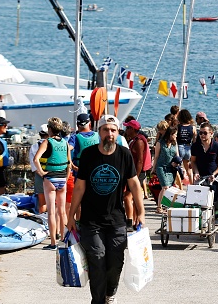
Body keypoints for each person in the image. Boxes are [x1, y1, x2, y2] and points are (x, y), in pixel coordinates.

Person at [67, 115, 145, 304]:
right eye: (105, 129)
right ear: (99, 132)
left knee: (115, 262)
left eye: (113, 130)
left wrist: (140, 212)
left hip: (116, 219)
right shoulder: (88, 154)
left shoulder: (124, 154)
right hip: (90, 220)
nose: (109, 133)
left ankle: (110, 293)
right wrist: (71, 216)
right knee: (97, 258)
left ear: (117, 133)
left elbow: (134, 185)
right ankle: (98, 300)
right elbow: (79, 187)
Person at [34, 117, 72, 249]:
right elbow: (69, 163)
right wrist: (66, 178)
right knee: (62, 211)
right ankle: (64, 239)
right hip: (62, 179)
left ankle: (53, 243)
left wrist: (42, 173)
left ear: (50, 129)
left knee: (51, 212)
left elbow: (36, 159)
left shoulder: (47, 142)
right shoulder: (65, 143)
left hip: (50, 178)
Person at [67, 113, 100, 219]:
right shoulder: (97, 136)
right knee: (95, 197)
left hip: (80, 171)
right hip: (96, 170)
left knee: (79, 198)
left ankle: (79, 222)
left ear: (77, 125)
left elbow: (67, 149)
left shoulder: (75, 137)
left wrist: (71, 164)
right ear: (89, 123)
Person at [190, 122, 218, 214]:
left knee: (215, 199)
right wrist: (196, 172)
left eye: (205, 133)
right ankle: (200, 219)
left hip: (212, 176)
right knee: (198, 200)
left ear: (211, 133)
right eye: (200, 133)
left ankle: (214, 216)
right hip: (200, 176)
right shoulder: (195, 146)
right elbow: (193, 161)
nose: (202, 135)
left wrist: (214, 174)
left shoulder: (217, 147)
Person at [123, 119, 152, 225]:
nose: (126, 130)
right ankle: (134, 220)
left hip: (137, 173)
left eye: (128, 127)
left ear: (133, 129)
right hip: (134, 172)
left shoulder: (139, 141)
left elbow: (140, 160)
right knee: (133, 198)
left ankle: (131, 220)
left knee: (128, 197)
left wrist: (136, 175)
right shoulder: (134, 139)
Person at [152, 126, 179, 214]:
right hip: (161, 167)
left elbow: (177, 156)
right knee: (165, 187)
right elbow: (156, 157)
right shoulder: (160, 143)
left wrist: (176, 163)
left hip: (171, 168)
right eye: (174, 134)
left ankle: (167, 206)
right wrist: (153, 168)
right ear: (170, 134)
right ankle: (159, 207)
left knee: (169, 188)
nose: (176, 136)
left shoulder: (175, 144)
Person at [29, 124, 49, 214]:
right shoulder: (52, 145)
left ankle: (43, 223)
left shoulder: (34, 147)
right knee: (54, 202)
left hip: (39, 175)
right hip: (52, 174)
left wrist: (41, 173)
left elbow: (33, 165)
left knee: (42, 202)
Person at [176, 109, 196, 185]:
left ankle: (179, 185)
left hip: (179, 147)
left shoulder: (178, 127)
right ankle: (192, 185)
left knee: (177, 168)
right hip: (188, 148)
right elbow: (194, 141)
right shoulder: (192, 128)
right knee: (188, 169)